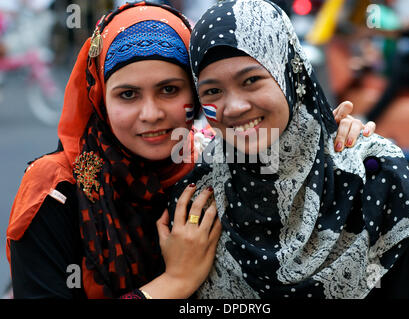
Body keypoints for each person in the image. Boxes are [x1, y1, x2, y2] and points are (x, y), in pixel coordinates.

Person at [6, 1, 374, 299]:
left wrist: (329, 139)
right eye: (127, 94)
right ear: (99, 98)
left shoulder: (216, 166)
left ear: (196, 94)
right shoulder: (57, 190)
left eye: (169, 89)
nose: (151, 114)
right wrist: (174, 282)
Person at [167, 0, 409, 299]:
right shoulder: (199, 192)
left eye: (252, 80)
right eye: (212, 91)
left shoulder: (373, 172)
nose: (234, 107)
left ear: (292, 75)